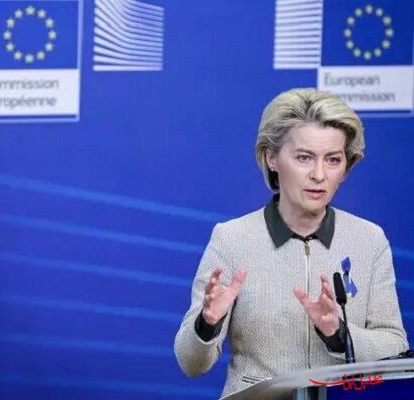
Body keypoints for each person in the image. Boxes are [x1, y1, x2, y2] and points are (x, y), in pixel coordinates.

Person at [174, 88, 408, 398]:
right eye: (304, 158)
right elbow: (190, 363)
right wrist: (207, 324)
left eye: (333, 160)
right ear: (271, 158)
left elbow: (395, 347)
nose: (319, 174)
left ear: (346, 167)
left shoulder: (369, 240)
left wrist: (339, 334)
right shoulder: (231, 239)